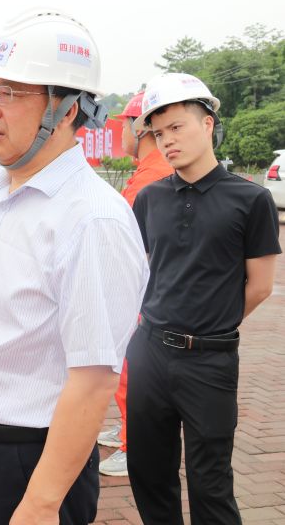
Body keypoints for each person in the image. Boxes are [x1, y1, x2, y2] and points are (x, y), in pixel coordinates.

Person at [0, 9, 149, 524]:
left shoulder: (91, 219)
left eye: (11, 93)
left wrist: (41, 503)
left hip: (27, 462)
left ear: (68, 108)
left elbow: (93, 381)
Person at [126, 73, 281, 524]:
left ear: (207, 123)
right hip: (149, 352)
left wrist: (211, 323)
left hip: (210, 360)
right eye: (159, 133)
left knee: (210, 482)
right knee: (148, 472)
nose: (167, 141)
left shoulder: (251, 199)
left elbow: (260, 286)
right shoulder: (149, 198)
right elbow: (142, 271)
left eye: (177, 127)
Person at [97, 90, 173, 477]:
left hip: (145, 296)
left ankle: (136, 445)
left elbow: (129, 245)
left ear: (140, 127)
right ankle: (130, 430)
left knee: (132, 371)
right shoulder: (154, 169)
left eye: (124, 125)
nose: (121, 133)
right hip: (151, 292)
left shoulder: (153, 177)